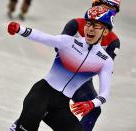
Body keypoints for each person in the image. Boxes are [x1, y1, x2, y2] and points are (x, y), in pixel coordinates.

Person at [9, 0, 121, 130]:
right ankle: (23, 122)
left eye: (95, 26)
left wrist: (91, 104)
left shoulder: (107, 58)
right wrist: (19, 29)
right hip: (42, 93)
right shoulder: (69, 40)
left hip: (64, 101)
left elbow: (105, 91)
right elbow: (43, 37)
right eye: (88, 24)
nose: (90, 28)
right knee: (28, 123)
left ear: (105, 31)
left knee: (92, 114)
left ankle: (29, 118)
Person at [43, 0, 121, 130]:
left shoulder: (114, 41)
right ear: (95, 6)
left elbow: (105, 69)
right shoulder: (75, 24)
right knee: (47, 101)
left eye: (112, 9)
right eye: (105, 6)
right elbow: (58, 47)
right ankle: (21, 123)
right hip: (64, 73)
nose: (108, 10)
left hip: (81, 80)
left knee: (94, 110)